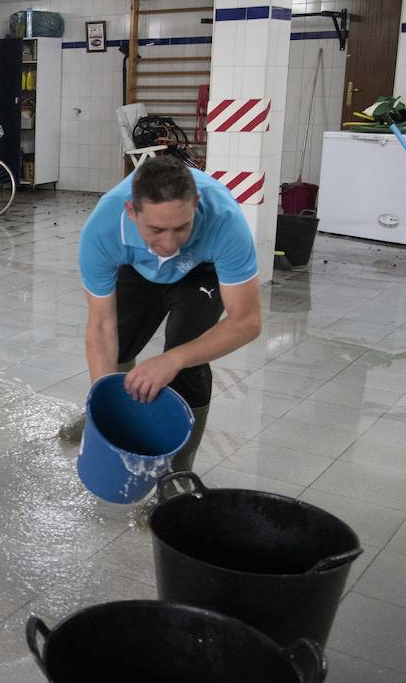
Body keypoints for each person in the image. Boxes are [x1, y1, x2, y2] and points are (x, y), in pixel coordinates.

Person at [59, 153, 262, 472]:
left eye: (181, 228)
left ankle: (179, 471)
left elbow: (247, 322)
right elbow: (100, 325)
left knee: (186, 365)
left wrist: (174, 359)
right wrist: (105, 407)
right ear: (131, 211)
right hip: (138, 266)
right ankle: (101, 414)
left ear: (195, 204)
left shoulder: (225, 219)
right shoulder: (104, 229)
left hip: (200, 270)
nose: (169, 243)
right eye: (156, 229)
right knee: (117, 348)